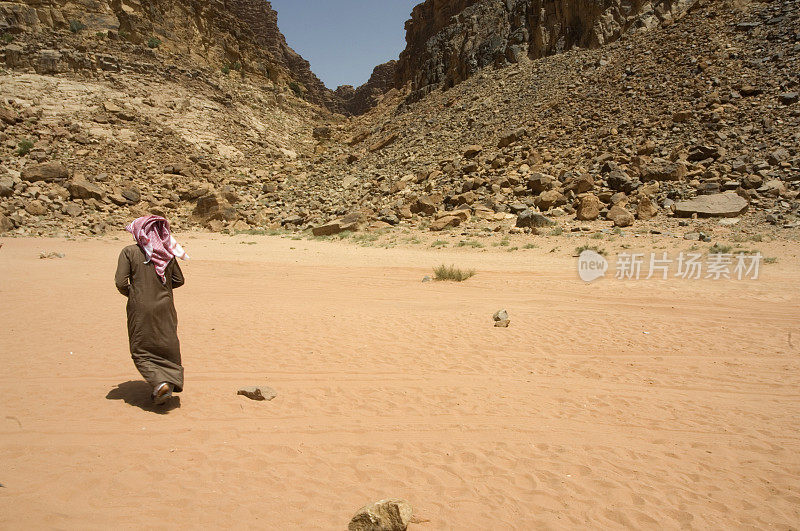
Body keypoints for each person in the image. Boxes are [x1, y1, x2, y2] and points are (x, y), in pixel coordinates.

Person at [115, 216, 189, 405]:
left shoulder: (129, 252)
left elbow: (121, 282)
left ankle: (159, 384)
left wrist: (136, 294)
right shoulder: (167, 254)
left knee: (141, 349)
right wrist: (161, 289)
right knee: (167, 344)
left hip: (140, 307)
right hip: (165, 306)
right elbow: (179, 280)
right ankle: (167, 384)